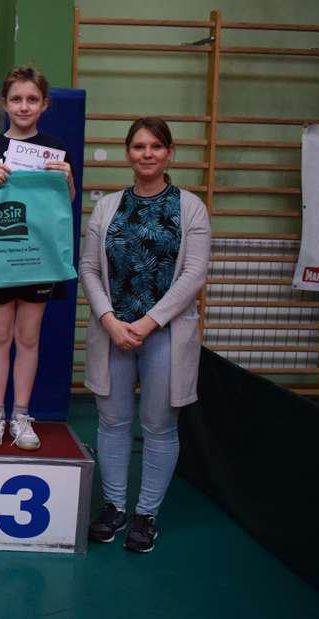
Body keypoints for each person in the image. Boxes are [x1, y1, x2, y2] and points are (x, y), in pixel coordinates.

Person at [80, 117, 210, 553]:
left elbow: (193, 274)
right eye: (139, 146)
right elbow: (89, 268)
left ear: (169, 153)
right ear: (128, 153)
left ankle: (146, 514)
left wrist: (149, 322)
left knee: (158, 425)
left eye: (156, 146)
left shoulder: (190, 207)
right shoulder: (107, 207)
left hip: (165, 335)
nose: (147, 154)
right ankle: (115, 506)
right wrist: (109, 320)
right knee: (113, 421)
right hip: (113, 333)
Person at [0, 65, 75, 450]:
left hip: (38, 256)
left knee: (28, 337)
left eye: (32, 99)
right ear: (4, 104)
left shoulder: (55, 150)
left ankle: (22, 414)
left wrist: (68, 181)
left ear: (44, 104)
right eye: (16, 99)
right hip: (0, 253)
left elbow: (65, 207)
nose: (24, 106)